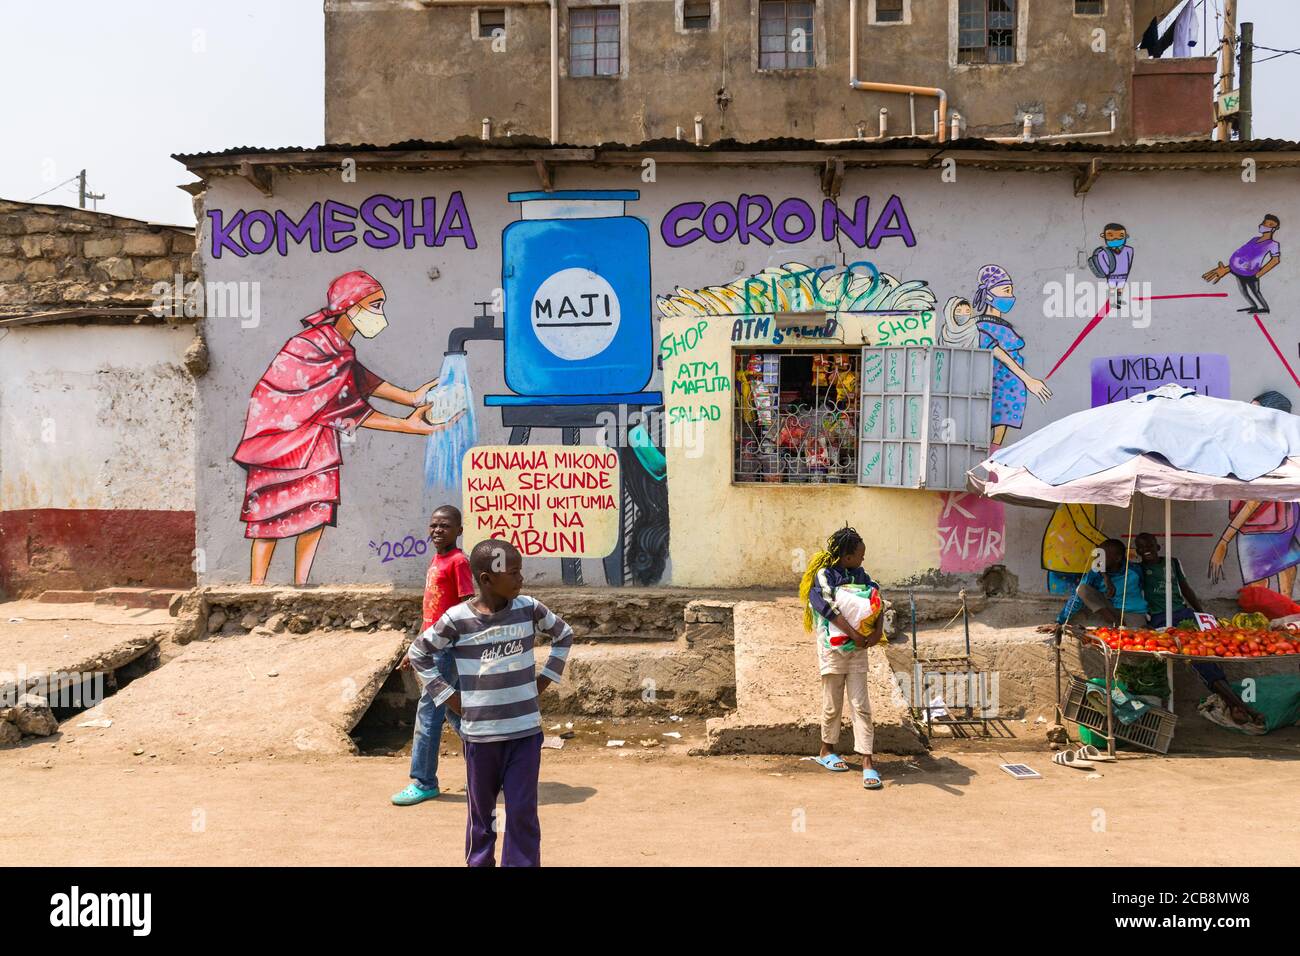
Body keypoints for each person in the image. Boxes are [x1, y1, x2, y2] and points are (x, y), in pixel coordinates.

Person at [233, 270, 461, 586]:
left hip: (318, 442)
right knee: (269, 521)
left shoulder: (338, 347)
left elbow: (357, 379)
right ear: (350, 305)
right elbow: (343, 406)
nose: (380, 316)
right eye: (375, 305)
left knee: (314, 517)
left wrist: (411, 397)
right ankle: (256, 589)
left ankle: (302, 587)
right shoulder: (309, 346)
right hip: (280, 443)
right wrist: (405, 426)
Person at [408, 538, 574, 867]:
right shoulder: (457, 619)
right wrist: (448, 697)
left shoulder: (529, 608)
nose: (520, 578)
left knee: (523, 812)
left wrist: (544, 680)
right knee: (482, 816)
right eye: (512, 572)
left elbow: (563, 634)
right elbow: (419, 652)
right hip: (480, 738)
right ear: (487, 579)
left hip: (525, 734)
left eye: (520, 571)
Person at [391, 505, 475, 806]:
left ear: (459, 531)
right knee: (457, 712)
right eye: (434, 526)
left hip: (446, 650)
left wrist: (454, 646)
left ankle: (424, 782)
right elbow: (431, 613)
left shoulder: (458, 561)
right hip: (432, 647)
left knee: (429, 713)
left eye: (446, 526)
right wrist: (416, 648)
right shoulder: (437, 560)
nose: (438, 531)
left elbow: (466, 606)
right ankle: (491, 770)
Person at [799, 526, 890, 791]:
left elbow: (877, 601)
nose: (863, 559)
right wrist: (853, 633)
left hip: (859, 648)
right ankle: (826, 750)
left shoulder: (864, 576)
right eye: (860, 555)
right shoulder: (825, 576)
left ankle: (867, 762)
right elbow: (827, 608)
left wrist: (877, 632)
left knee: (861, 704)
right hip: (833, 647)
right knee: (832, 702)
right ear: (847, 556)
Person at [1210, 390, 1300, 593]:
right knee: (1272, 596)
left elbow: (1255, 499)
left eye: (1254, 410)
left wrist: (1224, 541)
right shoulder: (1261, 445)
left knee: (1264, 596)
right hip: (1268, 525)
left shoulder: (1267, 448)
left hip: (1264, 527)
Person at [972, 264, 1052, 450]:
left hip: (1010, 395)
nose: (1011, 296)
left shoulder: (1003, 326)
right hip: (996, 389)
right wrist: (1028, 380)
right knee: (986, 436)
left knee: (996, 441)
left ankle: (992, 471)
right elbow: (999, 354)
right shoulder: (982, 327)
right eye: (1006, 291)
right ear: (990, 294)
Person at [1048, 538, 1147, 628]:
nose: (1098, 559)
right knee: (1082, 589)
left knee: (1136, 638)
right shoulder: (1096, 572)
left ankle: (1121, 627)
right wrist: (1059, 621)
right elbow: (1078, 596)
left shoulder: (1134, 571)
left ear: (1117, 559)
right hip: (1110, 613)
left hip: (1133, 612)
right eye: (1098, 555)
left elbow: (1147, 589)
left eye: (1103, 556)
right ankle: (1117, 625)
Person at [1201, 213, 1281, 314]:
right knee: (1243, 291)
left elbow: (1275, 260)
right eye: (1264, 223)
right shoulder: (1254, 239)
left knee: (1255, 291)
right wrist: (1229, 268)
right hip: (1237, 271)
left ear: (1274, 228)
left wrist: (1259, 274)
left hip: (1251, 273)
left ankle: (1265, 308)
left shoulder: (1273, 244)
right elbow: (1243, 252)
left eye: (1269, 225)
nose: (1264, 226)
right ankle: (1253, 306)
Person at [1089, 223, 1134, 305]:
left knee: (1120, 288)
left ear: (1125, 236)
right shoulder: (1103, 252)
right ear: (1104, 236)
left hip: (1123, 274)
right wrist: (1107, 273)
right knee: (1112, 288)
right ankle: (1112, 302)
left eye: (1120, 236)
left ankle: (1119, 301)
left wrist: (1127, 273)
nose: (1115, 239)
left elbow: (1129, 262)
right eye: (1111, 236)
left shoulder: (1129, 250)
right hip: (1112, 275)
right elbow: (1102, 263)